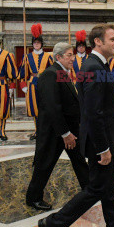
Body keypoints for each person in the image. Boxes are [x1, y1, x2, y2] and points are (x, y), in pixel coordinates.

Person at [39, 24, 114, 227]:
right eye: (112, 39)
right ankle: (53, 224)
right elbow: (93, 112)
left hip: (103, 136)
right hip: (98, 140)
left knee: (109, 185)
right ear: (98, 42)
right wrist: (103, 147)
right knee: (96, 189)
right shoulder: (93, 67)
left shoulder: (97, 65)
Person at [26, 42, 89, 211]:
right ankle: (33, 198)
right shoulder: (50, 74)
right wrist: (65, 133)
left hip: (68, 130)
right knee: (44, 164)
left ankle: (90, 190)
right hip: (55, 132)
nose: (73, 58)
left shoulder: (61, 73)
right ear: (58, 57)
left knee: (79, 160)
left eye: (73, 55)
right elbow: (53, 107)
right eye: (69, 55)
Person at [17, 23, 53, 140]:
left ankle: (45, 130)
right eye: (35, 43)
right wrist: (23, 85)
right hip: (32, 84)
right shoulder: (27, 57)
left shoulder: (48, 56)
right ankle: (37, 130)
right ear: (32, 44)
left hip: (45, 83)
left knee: (45, 107)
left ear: (41, 44)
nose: (36, 45)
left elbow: (53, 71)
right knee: (35, 108)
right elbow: (22, 74)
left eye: (38, 43)